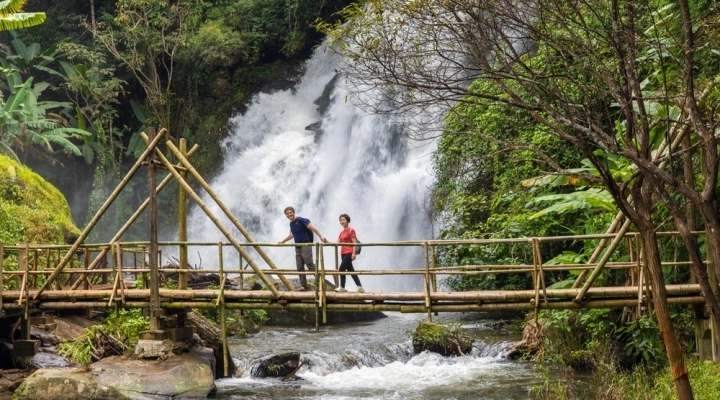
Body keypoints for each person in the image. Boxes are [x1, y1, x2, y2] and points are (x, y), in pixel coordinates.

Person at [278, 206, 328, 291]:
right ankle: (304, 286)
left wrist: (321, 236)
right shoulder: (291, 223)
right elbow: (292, 234)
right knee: (300, 266)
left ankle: (321, 282)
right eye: (287, 213)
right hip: (297, 246)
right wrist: (283, 241)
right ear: (285, 215)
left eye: (290, 212)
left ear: (294, 212)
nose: (289, 214)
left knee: (309, 263)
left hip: (306, 244)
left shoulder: (300, 220)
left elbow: (312, 227)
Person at [335, 213, 364, 293]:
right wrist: (326, 241)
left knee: (341, 269)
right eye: (340, 220)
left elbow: (354, 242)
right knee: (351, 270)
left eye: (343, 220)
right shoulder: (341, 232)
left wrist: (354, 253)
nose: (342, 221)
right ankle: (359, 286)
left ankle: (342, 287)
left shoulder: (351, 230)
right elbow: (337, 243)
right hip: (343, 253)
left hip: (349, 252)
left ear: (347, 220)